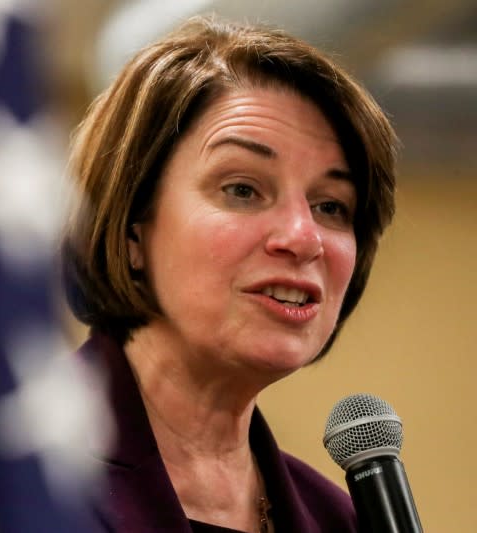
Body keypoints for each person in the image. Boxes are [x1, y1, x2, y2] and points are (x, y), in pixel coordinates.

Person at [61, 15, 397, 533]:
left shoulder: (343, 521)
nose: (303, 237)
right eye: (242, 189)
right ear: (132, 230)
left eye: (331, 206)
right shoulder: (10, 478)